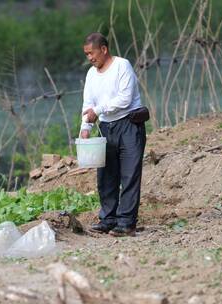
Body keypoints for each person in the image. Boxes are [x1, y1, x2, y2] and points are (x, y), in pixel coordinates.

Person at [80, 32, 146, 237]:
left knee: (129, 175)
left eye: (92, 53)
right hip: (106, 128)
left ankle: (126, 223)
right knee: (106, 176)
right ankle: (108, 220)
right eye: (86, 54)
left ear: (104, 49)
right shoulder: (91, 74)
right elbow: (88, 103)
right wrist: (85, 128)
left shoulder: (122, 66)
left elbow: (125, 99)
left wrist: (97, 112)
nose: (90, 58)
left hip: (129, 125)